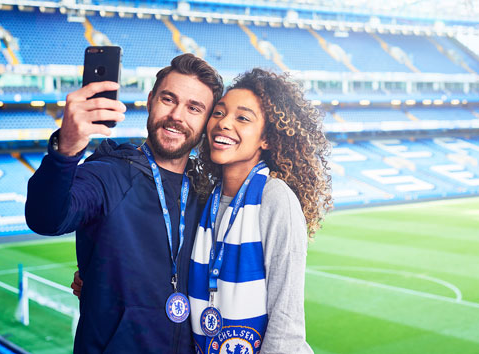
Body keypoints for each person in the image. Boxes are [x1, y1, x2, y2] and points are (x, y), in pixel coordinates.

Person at [25, 53, 223, 353]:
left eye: (194, 108)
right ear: (149, 100)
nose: (177, 116)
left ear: (207, 121)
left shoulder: (207, 192)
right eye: (168, 99)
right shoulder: (108, 174)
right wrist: (65, 149)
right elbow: (46, 218)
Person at [188, 68, 332, 354]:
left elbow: (286, 325)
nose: (224, 124)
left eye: (242, 118)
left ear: (266, 139)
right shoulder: (204, 198)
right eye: (218, 113)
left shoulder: (275, 198)